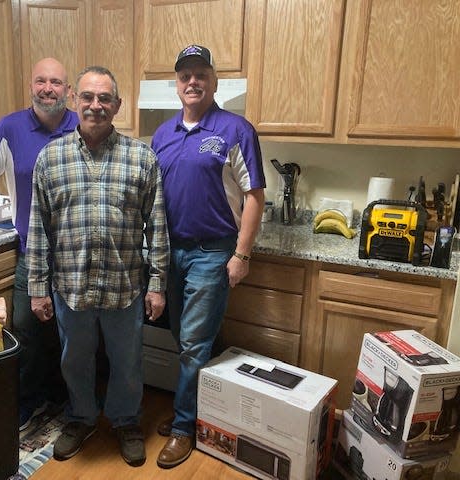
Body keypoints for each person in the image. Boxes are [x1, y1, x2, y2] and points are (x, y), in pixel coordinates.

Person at [26, 65, 169, 467]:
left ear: (117, 105)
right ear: (75, 101)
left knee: (127, 363)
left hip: (125, 287)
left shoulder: (142, 158)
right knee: (75, 360)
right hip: (70, 286)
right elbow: (39, 228)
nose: (95, 105)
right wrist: (38, 286)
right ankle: (82, 417)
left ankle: (125, 421)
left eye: (104, 98)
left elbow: (157, 226)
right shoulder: (50, 158)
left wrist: (157, 283)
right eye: (87, 97)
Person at [151, 44, 266, 468]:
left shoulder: (236, 130)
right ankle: (203, 413)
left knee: (194, 345)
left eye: (200, 74)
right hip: (172, 251)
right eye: (185, 76)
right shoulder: (162, 135)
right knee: (187, 340)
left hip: (212, 253)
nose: (192, 82)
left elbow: (255, 195)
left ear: (214, 81)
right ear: (177, 85)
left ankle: (183, 428)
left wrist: (242, 253)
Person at [0, 58, 79, 432]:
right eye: (40, 81)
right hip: (31, 252)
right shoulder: (9, 128)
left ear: (67, 90)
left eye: (55, 82)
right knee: (26, 329)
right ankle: (28, 401)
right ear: (30, 85)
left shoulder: (83, 125)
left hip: (76, 254)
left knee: (71, 332)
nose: (47, 88)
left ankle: (66, 399)